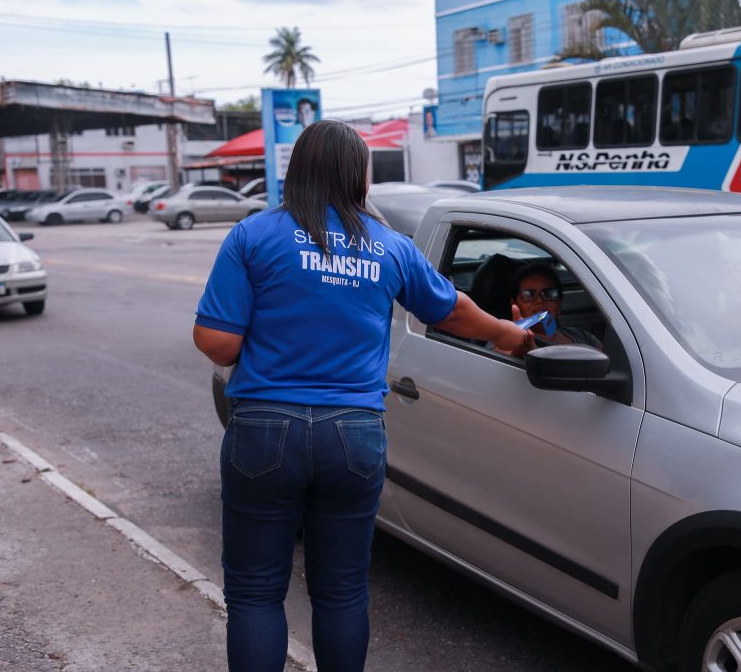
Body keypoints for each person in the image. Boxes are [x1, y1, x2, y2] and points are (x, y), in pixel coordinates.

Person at [192, 119, 534, 672]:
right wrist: (510, 335)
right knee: (341, 592)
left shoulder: (253, 236)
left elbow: (218, 343)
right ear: (359, 176)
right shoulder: (389, 247)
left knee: (256, 593)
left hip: (263, 432)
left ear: (297, 169)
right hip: (352, 435)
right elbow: (450, 311)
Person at [509, 262, 601, 349]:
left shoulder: (581, 335)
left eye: (549, 293)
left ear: (559, 301)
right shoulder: (516, 342)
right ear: (515, 304)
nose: (540, 300)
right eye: (528, 295)